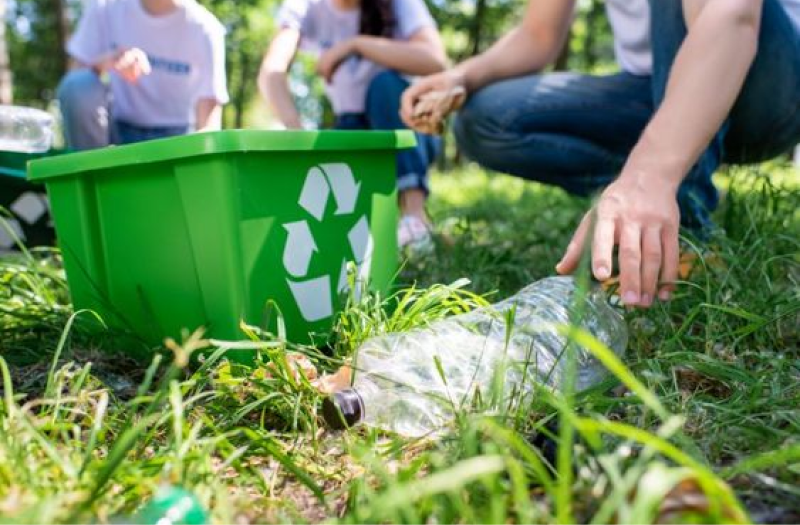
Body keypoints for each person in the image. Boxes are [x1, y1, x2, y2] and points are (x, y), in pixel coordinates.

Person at [401, 0, 800, 307]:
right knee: (487, 119)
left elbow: (731, 16)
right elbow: (538, 35)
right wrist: (460, 76)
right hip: (647, 91)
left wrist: (650, 174)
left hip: (767, 83)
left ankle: (684, 233)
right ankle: (636, 209)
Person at [258, 0, 447, 249]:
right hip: (352, 126)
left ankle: (415, 218)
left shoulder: (400, 4)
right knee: (328, 166)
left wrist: (355, 44)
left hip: (410, 128)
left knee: (384, 86)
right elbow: (271, 71)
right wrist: (296, 132)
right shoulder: (305, 6)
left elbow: (436, 60)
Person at [57, 0, 229, 150]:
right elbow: (73, 84)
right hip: (114, 130)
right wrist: (108, 62)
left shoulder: (206, 29)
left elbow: (208, 127)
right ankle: (93, 170)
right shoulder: (105, 7)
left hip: (178, 138)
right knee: (78, 86)